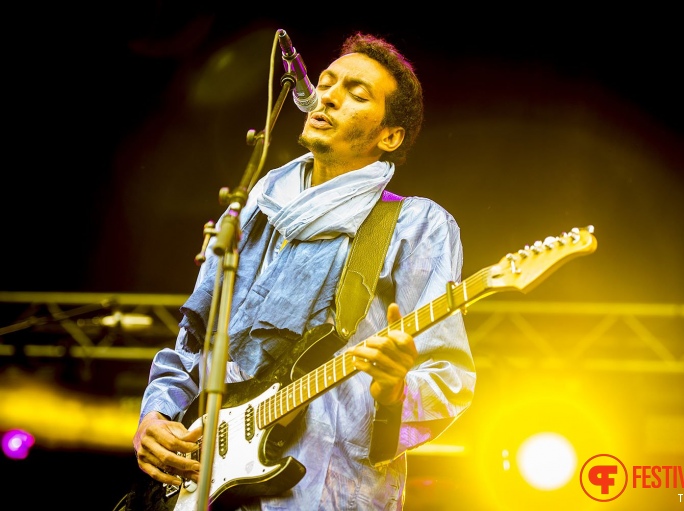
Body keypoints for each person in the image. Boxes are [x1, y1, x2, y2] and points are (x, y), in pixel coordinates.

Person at [130, 31, 476, 510]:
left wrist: (395, 390)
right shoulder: (251, 210)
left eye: (356, 95)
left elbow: (448, 376)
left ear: (389, 136)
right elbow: (195, 342)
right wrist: (155, 416)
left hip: (324, 492)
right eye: (327, 82)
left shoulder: (414, 225)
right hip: (206, 484)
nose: (329, 95)